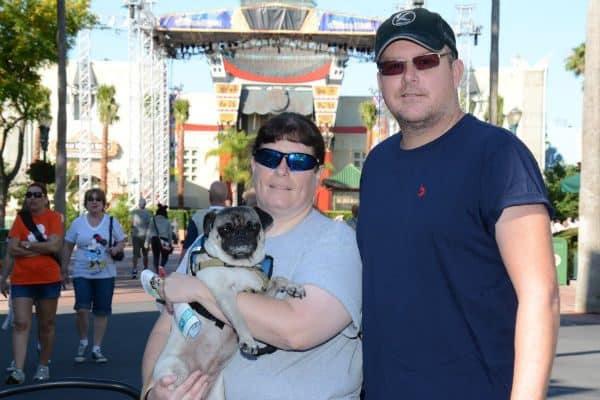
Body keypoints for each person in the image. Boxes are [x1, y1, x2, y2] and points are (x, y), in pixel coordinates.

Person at [357, 8, 559, 399]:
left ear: (455, 71)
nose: (409, 77)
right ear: (381, 80)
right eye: (393, 66)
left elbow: (541, 296)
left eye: (426, 61)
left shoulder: (498, 155)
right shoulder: (377, 165)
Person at [141, 112, 362, 400]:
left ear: (318, 174)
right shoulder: (208, 242)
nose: (282, 170)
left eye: (298, 162)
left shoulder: (338, 242)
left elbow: (296, 330)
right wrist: (152, 392)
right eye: (270, 158)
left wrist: (201, 290)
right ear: (254, 165)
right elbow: (165, 330)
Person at [1, 183, 64, 384]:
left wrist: (26, 245)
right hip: (22, 280)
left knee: (46, 324)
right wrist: (3, 277)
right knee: (20, 323)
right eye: (29, 195)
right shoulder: (20, 220)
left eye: (37, 195)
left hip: (48, 278)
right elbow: (12, 250)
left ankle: (43, 365)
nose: (33, 198)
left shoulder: (54, 218)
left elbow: (55, 245)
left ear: (46, 198)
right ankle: (18, 370)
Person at [62, 188, 126, 364]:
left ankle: (97, 348)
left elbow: (122, 240)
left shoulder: (111, 221)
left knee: (101, 311)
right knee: (82, 309)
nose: (94, 202)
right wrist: (63, 268)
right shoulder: (78, 223)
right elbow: (68, 245)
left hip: (105, 274)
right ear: (86, 203)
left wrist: (117, 248)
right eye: (90, 199)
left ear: (104, 204)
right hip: (82, 272)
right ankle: (83, 341)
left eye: (98, 199)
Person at [177, 180, 228, 264]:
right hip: (230, 269)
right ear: (226, 196)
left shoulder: (197, 217)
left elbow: (187, 248)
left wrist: (179, 270)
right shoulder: (237, 217)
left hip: (203, 268)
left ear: (209, 196)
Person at [146, 204, 173, 273]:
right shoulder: (167, 221)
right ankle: (161, 266)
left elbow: (149, 231)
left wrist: (147, 243)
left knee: (156, 256)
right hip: (164, 240)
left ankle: (157, 271)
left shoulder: (153, 220)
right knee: (165, 256)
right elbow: (170, 233)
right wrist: (170, 243)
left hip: (154, 239)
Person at [130, 198, 152, 279]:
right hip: (145, 236)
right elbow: (150, 227)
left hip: (136, 236)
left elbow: (131, 225)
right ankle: (145, 269)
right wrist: (148, 239)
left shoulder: (133, 212)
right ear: (145, 204)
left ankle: (134, 269)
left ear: (139, 204)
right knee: (145, 254)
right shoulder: (148, 214)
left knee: (135, 254)